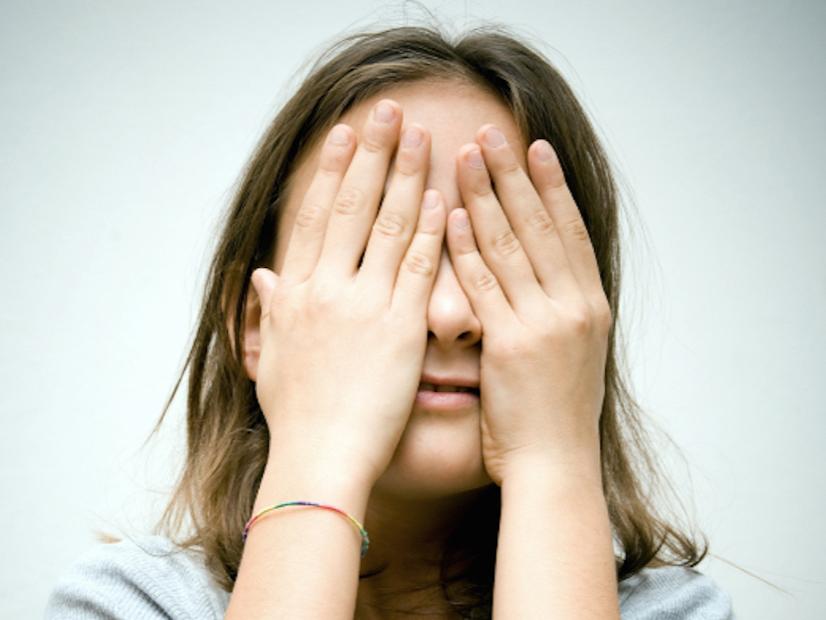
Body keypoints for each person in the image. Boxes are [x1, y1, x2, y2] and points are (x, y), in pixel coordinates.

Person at [45, 23, 733, 619]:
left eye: (503, 260)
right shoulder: (129, 603)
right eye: (383, 255)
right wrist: (319, 447)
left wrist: (553, 460)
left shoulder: (674, 612)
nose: (450, 315)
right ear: (258, 327)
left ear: (582, 331)